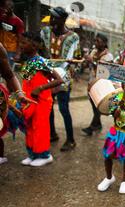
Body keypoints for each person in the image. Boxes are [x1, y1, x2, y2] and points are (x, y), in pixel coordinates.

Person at [19, 32, 64, 167]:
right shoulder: (27, 61)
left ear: (34, 46)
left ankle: (45, 155)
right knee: (30, 127)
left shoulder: (41, 61)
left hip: (42, 101)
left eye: (24, 43)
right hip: (29, 101)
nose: (21, 46)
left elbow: (59, 80)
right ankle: (32, 154)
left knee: (40, 127)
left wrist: (40, 88)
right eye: (21, 43)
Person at [41, 6, 80, 152]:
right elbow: (41, 50)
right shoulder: (45, 32)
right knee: (49, 106)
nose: (51, 20)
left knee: (64, 108)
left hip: (64, 76)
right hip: (47, 74)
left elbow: (75, 57)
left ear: (63, 19)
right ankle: (52, 134)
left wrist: (69, 69)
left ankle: (71, 140)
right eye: (51, 17)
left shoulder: (73, 37)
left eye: (54, 17)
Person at [82, 33, 114, 136]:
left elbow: (105, 71)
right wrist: (85, 60)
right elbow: (87, 65)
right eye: (95, 41)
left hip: (101, 84)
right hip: (92, 82)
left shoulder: (108, 56)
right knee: (93, 104)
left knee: (97, 106)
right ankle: (98, 124)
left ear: (104, 43)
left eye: (98, 41)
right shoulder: (94, 52)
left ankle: (92, 127)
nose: (96, 43)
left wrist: (93, 62)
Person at [0, 0, 24, 67]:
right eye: (4, 8)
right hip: (1, 47)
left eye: (7, 8)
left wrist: (18, 53)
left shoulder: (18, 22)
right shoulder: (2, 17)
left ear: (12, 9)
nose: (5, 10)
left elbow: (20, 39)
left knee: (7, 70)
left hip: (11, 50)